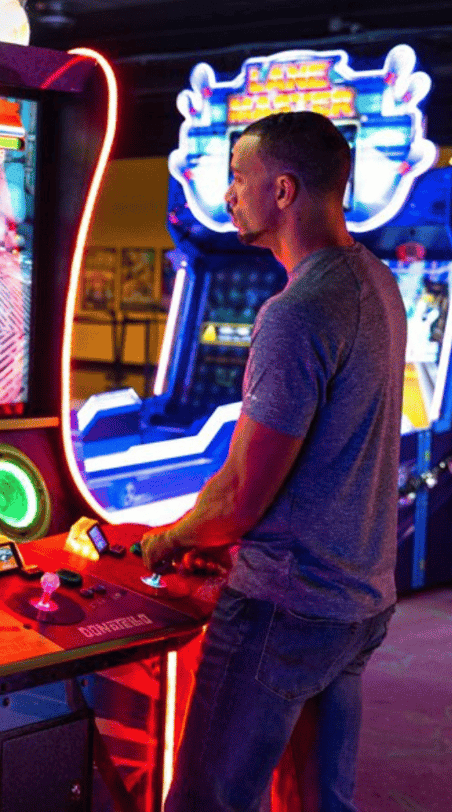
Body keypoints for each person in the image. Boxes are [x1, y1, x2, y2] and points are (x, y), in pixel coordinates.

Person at [139, 110, 406, 812]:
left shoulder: (296, 311)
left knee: (208, 802)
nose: (227, 194)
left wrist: (169, 540)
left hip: (284, 608)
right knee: (319, 802)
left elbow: (239, 497)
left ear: (283, 191)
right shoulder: (376, 281)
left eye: (238, 177)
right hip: (358, 602)